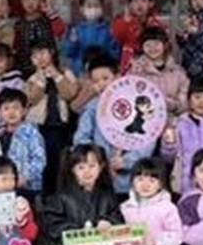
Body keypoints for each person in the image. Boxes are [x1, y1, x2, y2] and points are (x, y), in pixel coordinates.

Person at [73, 54, 156, 197]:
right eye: (96, 81)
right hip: (100, 179)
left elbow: (148, 138)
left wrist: (126, 161)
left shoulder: (135, 103)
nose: (101, 84)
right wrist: (98, 161)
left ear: (118, 77)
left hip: (131, 181)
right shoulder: (92, 108)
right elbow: (80, 138)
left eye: (106, 78)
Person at [24, 41, 79, 194]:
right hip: (39, 126)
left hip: (60, 125)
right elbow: (31, 99)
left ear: (51, 53)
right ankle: (43, 194)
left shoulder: (65, 73)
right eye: (35, 56)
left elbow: (69, 94)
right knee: (42, 161)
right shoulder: (32, 79)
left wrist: (56, 76)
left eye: (42, 53)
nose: (40, 58)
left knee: (60, 162)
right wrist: (41, 80)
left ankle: (60, 193)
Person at [0, 88, 46, 201]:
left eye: (16, 108)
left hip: (29, 189)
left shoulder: (31, 133)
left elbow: (40, 160)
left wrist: (25, 177)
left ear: (24, 111)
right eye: (6, 108)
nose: (11, 112)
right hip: (5, 188)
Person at [126, 27, 188, 116]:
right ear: (142, 47)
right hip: (145, 120)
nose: (152, 48)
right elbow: (128, 94)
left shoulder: (177, 72)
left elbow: (185, 96)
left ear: (165, 45)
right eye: (148, 45)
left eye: (156, 43)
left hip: (173, 120)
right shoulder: (135, 71)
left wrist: (174, 105)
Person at [63, 0, 120, 76]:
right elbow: (68, 53)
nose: (93, 9)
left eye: (96, 6)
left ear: (102, 9)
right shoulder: (75, 29)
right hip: (80, 72)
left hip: (102, 72)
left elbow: (114, 53)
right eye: (89, 6)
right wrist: (73, 42)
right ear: (81, 9)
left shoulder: (109, 29)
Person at [112, 0, 166, 71]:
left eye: (143, 0)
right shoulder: (123, 21)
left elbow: (163, 43)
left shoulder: (157, 24)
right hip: (129, 65)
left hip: (153, 64)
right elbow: (117, 37)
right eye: (135, 1)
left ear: (151, 3)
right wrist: (126, 22)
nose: (139, 4)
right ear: (129, 5)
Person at [12, 0, 60, 76]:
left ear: (41, 0)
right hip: (24, 68)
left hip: (48, 67)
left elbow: (60, 30)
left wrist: (49, 12)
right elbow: (16, 46)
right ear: (21, 1)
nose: (30, 2)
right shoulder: (19, 24)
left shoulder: (48, 20)